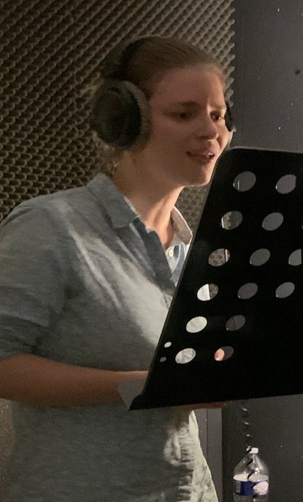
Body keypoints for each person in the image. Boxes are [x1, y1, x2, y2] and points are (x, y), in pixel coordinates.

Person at [0, 36, 232, 501]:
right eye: (184, 114)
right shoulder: (52, 227)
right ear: (125, 120)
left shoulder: (191, 252)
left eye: (218, 115)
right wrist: (139, 386)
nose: (211, 132)